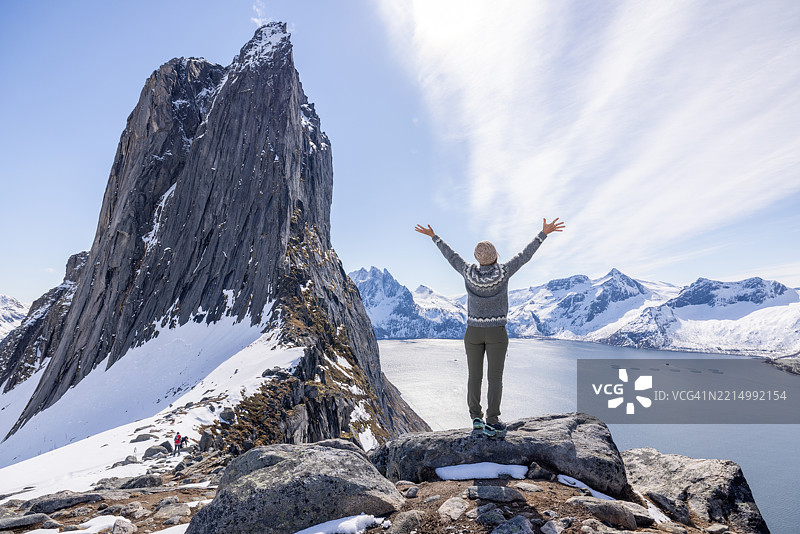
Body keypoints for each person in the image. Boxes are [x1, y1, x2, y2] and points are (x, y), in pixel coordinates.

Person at [415, 218, 565, 437]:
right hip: (497, 332)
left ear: (477, 258)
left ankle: (476, 418)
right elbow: (524, 256)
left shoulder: (468, 272)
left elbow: (451, 256)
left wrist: (434, 237)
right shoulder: (504, 272)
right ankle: (492, 420)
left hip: (473, 332)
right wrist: (543, 233)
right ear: (495, 256)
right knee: (495, 378)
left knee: (474, 377)